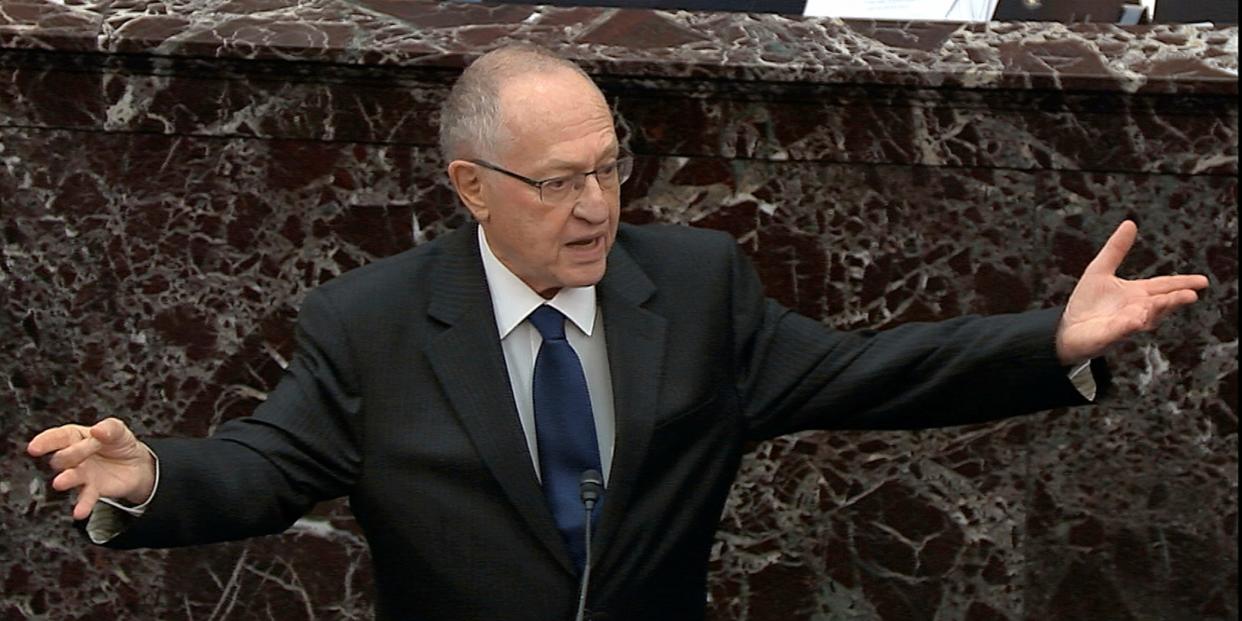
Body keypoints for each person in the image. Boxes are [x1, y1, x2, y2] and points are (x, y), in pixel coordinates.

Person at [26, 44, 1208, 621]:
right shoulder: (374, 323)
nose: (596, 206)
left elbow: (864, 371)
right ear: (471, 187)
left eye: (610, 169)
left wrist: (1052, 339)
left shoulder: (693, 287)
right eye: (556, 182)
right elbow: (267, 466)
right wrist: (153, 475)